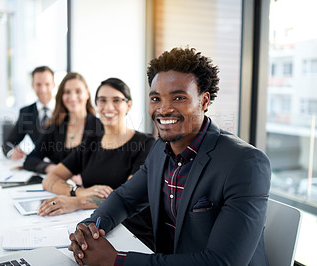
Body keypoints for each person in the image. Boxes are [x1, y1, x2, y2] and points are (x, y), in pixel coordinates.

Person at [68, 47, 272, 266]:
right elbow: (124, 199)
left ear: (204, 101)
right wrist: (89, 228)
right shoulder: (161, 149)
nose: (164, 109)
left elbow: (222, 261)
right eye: (156, 98)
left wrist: (117, 261)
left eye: (178, 98)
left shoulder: (245, 163)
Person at [37, 78, 155, 248]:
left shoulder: (145, 144)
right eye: (102, 100)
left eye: (116, 100)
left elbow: (130, 197)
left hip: (131, 232)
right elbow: (50, 179)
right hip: (93, 225)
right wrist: (77, 192)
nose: (108, 107)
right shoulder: (91, 143)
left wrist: (76, 203)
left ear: (128, 105)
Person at [23, 72, 103, 175]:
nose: (73, 97)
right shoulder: (54, 127)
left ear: (87, 94)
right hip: (57, 187)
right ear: (61, 96)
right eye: (67, 92)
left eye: (78, 91)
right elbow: (30, 160)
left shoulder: (100, 127)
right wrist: (54, 169)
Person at [2, 66, 55, 160]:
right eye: (38, 84)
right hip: (36, 164)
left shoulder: (65, 110)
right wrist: (12, 153)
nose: (43, 90)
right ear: (32, 85)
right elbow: (8, 143)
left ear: (53, 85)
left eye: (47, 84)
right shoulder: (26, 113)